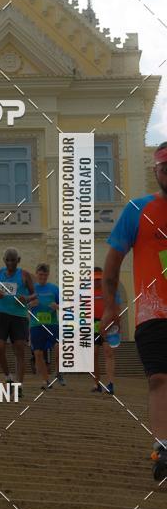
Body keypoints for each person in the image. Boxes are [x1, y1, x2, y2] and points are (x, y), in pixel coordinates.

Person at [101, 141, 167, 480]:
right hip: (152, 314)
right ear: (156, 171)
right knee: (158, 378)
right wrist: (110, 306)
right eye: (165, 168)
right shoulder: (137, 210)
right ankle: (164, 446)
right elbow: (113, 262)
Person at [0, 248, 36, 399]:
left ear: (18, 260)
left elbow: (34, 294)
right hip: (1, 315)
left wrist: (26, 298)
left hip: (19, 316)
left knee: (19, 350)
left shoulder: (24, 275)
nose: (10, 263)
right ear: (4, 260)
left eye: (13, 260)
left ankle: (19, 385)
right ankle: (8, 377)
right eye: (7, 260)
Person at [30, 264, 62, 390]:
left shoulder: (54, 288)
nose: (43, 277)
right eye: (40, 274)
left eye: (45, 275)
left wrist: (57, 306)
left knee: (59, 348)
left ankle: (58, 373)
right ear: (36, 274)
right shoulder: (31, 289)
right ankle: (46, 380)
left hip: (52, 324)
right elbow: (20, 306)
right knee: (38, 353)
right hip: (36, 325)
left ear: (48, 275)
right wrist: (30, 305)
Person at [91, 266, 119, 395]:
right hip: (93, 324)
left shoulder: (111, 291)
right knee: (94, 354)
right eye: (94, 279)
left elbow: (117, 308)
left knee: (109, 352)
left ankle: (110, 384)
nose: (96, 282)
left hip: (108, 322)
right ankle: (97, 383)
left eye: (99, 279)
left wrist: (117, 323)